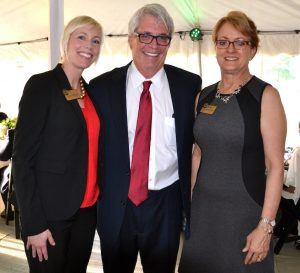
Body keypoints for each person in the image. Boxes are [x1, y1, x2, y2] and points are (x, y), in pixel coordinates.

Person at [89, 3, 201, 273]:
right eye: (145, 35)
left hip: (166, 205)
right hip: (118, 204)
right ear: (130, 38)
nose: (154, 44)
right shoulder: (101, 88)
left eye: (162, 37)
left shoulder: (189, 86)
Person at [179, 11, 286, 273]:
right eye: (223, 41)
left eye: (240, 42)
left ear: (252, 50)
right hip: (203, 216)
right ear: (215, 47)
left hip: (244, 216)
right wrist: (188, 208)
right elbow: (197, 153)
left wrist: (266, 226)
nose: (231, 49)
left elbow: (274, 167)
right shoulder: (203, 96)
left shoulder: (266, 96)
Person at [12, 16, 102, 273]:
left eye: (95, 41)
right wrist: (34, 224)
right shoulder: (42, 86)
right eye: (81, 37)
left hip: (86, 212)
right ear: (66, 41)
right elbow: (22, 159)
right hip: (49, 216)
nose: (89, 45)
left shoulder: (90, 92)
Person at [0, 111, 14, 220]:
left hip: (7, 160)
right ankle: (6, 209)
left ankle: (5, 209)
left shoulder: (11, 131)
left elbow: (4, 155)